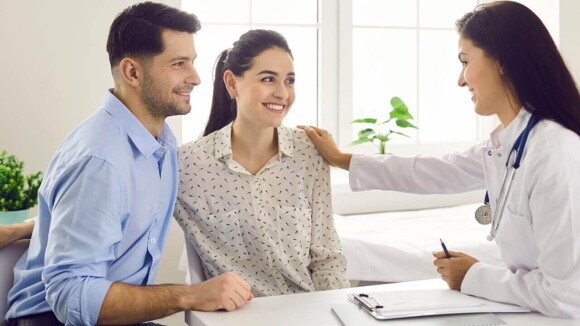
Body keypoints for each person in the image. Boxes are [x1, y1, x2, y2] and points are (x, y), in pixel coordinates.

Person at [300, 1, 580, 319]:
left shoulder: (554, 155)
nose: (460, 80)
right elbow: (436, 171)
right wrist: (342, 159)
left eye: (465, 61)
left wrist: (473, 276)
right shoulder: (508, 143)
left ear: (502, 62)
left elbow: (568, 296)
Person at [5, 2, 252, 325]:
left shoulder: (159, 142)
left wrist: (32, 228)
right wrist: (191, 295)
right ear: (132, 72)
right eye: (179, 64)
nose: (195, 78)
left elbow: (93, 223)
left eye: (192, 62)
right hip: (53, 319)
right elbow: (72, 297)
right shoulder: (101, 161)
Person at [174, 29, 350, 297]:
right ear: (232, 83)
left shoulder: (309, 152)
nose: (282, 93)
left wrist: (335, 313)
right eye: (268, 79)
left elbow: (327, 259)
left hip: (308, 312)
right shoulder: (186, 165)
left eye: (289, 81)